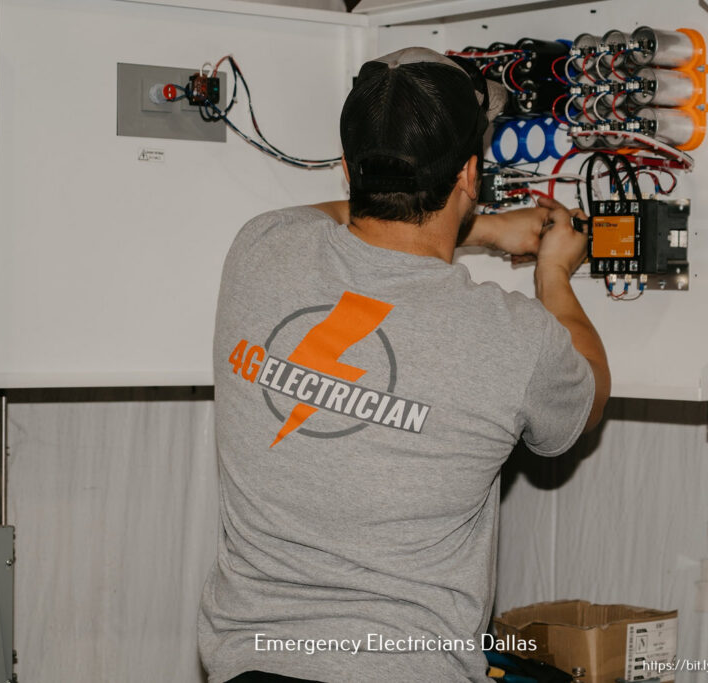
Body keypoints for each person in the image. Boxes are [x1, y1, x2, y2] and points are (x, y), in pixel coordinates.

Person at [199, 47, 610, 683]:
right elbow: (586, 398)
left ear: (345, 167)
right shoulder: (515, 338)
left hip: (251, 668)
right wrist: (554, 273)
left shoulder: (261, 246)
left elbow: (339, 221)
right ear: (470, 174)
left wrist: (483, 229)